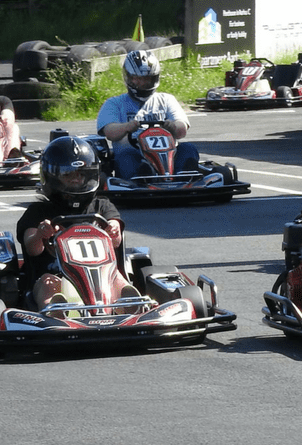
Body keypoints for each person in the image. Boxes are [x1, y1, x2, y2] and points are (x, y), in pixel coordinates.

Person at [16, 135, 136, 309]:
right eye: (68, 175)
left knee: (116, 277)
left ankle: (131, 305)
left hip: (102, 276)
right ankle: (55, 312)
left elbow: (116, 238)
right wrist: (40, 235)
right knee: (48, 283)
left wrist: (113, 230)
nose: (75, 180)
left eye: (80, 175)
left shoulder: (101, 206)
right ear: (52, 177)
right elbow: (32, 249)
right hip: (54, 274)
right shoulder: (38, 211)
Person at [96, 50, 198, 178]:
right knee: (126, 157)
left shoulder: (166, 99)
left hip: (169, 157)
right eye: (137, 79)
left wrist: (172, 126)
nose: (142, 83)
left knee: (188, 148)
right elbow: (109, 132)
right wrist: (127, 127)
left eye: (147, 79)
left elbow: (182, 130)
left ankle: (183, 177)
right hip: (134, 154)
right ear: (129, 77)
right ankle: (143, 176)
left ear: (155, 78)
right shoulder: (114, 103)